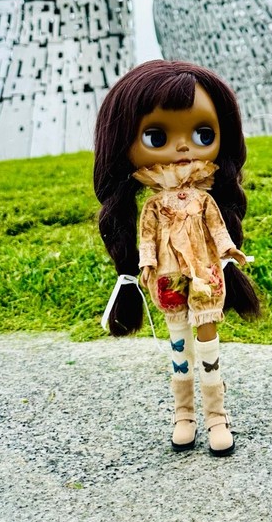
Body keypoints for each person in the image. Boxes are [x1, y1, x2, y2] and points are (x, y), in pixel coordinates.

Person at [94, 60, 260, 456]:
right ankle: (183, 417)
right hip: (168, 278)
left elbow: (218, 229)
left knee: (208, 345)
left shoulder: (204, 198)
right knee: (178, 349)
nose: (183, 146)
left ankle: (217, 417)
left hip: (205, 277)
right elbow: (147, 240)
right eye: (156, 135)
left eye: (203, 133)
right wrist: (146, 266)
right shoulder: (153, 204)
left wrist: (228, 252)